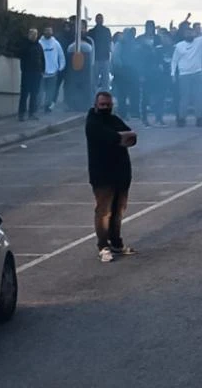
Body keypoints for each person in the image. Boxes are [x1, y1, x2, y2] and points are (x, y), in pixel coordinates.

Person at [85, 91, 137, 263]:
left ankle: (116, 243)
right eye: (102, 105)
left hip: (121, 174)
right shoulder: (93, 122)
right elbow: (111, 137)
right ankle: (103, 246)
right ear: (96, 105)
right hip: (102, 175)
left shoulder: (114, 120)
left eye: (108, 105)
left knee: (118, 211)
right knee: (104, 211)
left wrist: (119, 138)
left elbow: (131, 136)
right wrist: (118, 137)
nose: (106, 107)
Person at [171, 23, 202, 127]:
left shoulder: (199, 42)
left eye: (191, 32)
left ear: (194, 33)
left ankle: (199, 119)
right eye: (187, 33)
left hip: (197, 73)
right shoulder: (179, 46)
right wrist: (173, 74)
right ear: (184, 34)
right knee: (184, 98)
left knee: (199, 97)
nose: (189, 34)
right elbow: (174, 61)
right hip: (184, 74)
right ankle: (182, 119)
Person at [19, 28, 45, 121]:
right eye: (32, 34)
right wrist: (24, 70)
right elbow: (22, 57)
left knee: (34, 94)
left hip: (37, 73)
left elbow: (42, 59)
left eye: (35, 34)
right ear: (29, 35)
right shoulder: (25, 45)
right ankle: (21, 114)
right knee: (24, 94)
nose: (34, 36)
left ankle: (32, 113)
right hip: (27, 73)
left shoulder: (39, 46)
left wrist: (42, 70)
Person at [39, 26, 66, 113]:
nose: (48, 32)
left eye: (50, 31)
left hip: (53, 72)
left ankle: (47, 107)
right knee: (39, 91)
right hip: (42, 72)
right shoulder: (40, 43)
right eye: (46, 30)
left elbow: (61, 56)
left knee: (50, 91)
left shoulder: (56, 43)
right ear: (44, 31)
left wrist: (60, 67)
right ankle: (37, 107)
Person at [88, 13, 113, 92]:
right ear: (95, 20)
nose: (99, 20)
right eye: (98, 18)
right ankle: (93, 98)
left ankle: (105, 97)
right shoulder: (91, 31)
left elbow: (110, 44)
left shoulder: (107, 31)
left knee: (105, 80)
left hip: (105, 58)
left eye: (101, 18)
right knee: (94, 81)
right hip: (95, 59)